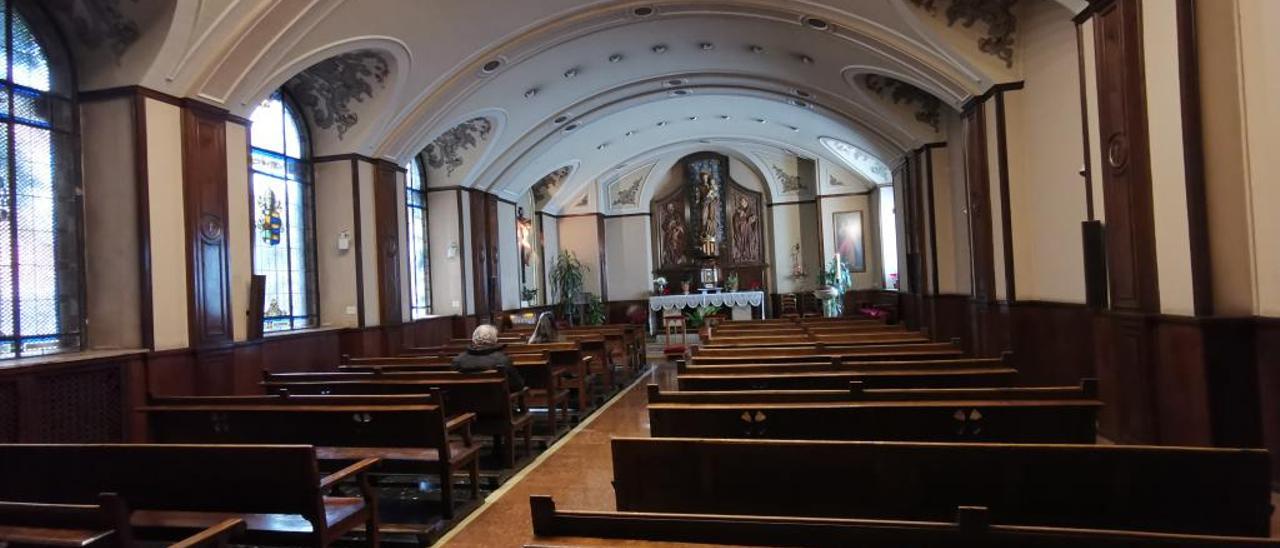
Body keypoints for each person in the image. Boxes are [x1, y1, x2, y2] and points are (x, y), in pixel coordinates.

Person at [452, 324, 524, 391]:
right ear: (495, 340)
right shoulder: (502, 360)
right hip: (496, 403)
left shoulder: (458, 360)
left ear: (473, 339)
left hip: (465, 402)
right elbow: (518, 384)